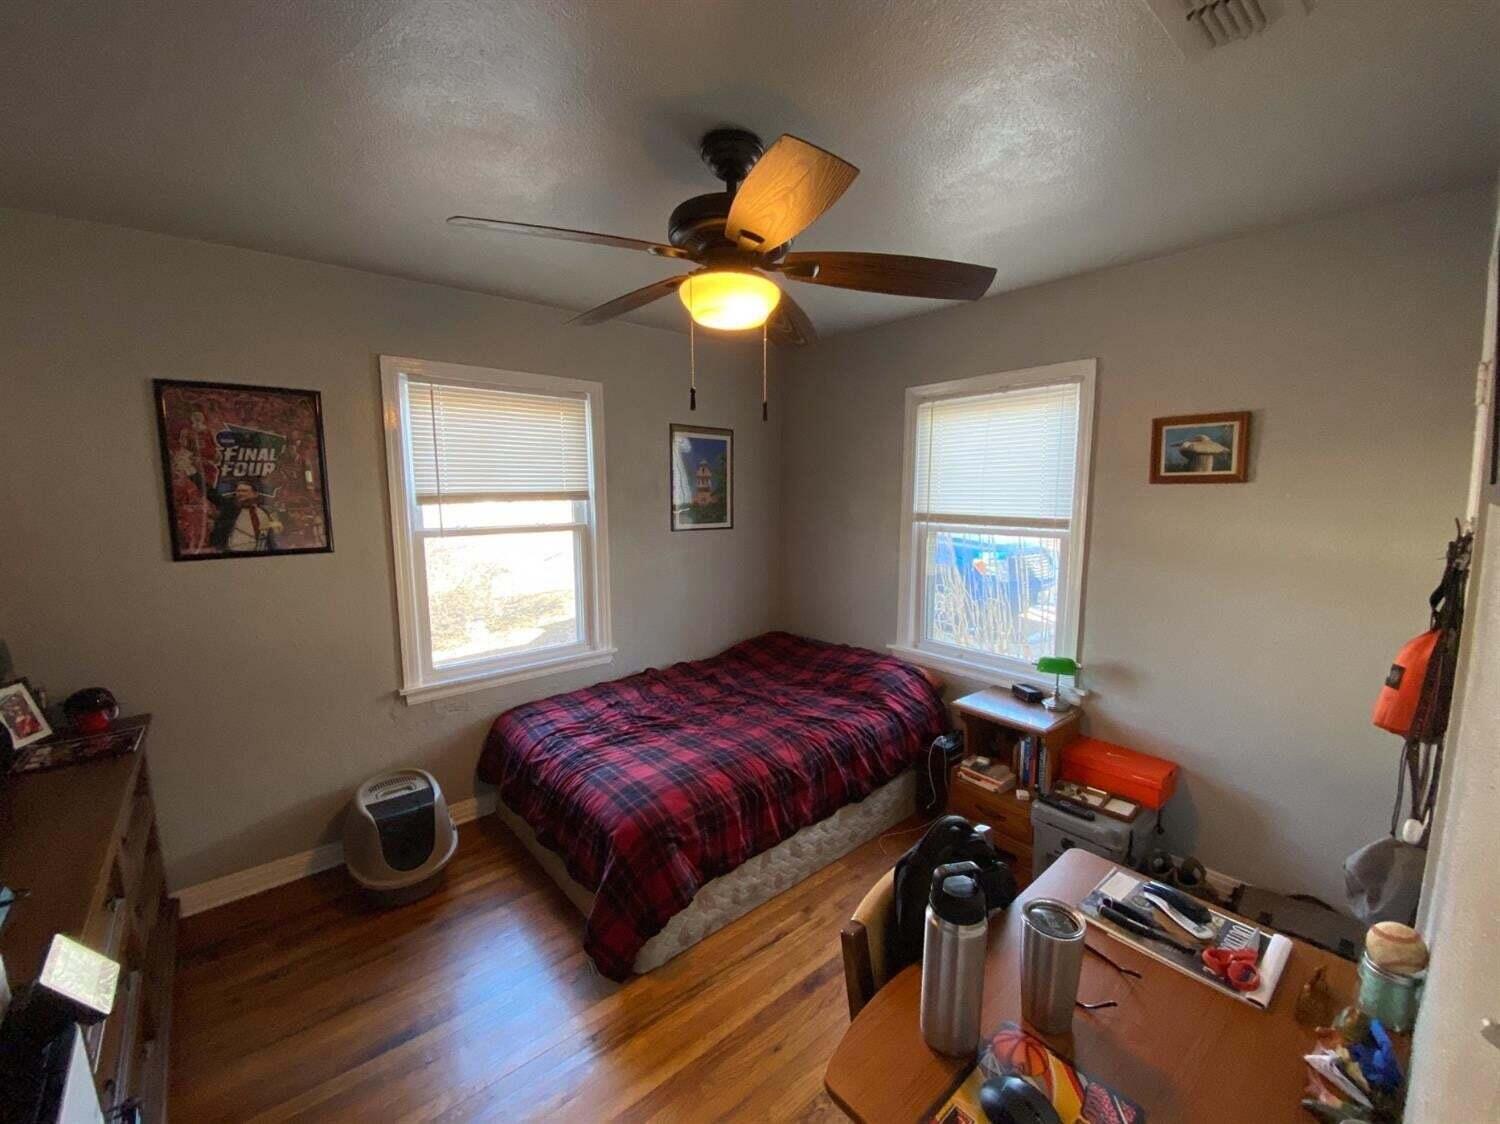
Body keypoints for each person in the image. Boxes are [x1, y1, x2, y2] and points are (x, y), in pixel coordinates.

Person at [190, 473, 283, 553]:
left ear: (255, 494)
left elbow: (269, 537)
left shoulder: (264, 513)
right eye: (238, 491)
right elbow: (211, 494)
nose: (240, 493)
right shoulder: (230, 508)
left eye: (244, 491)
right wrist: (193, 474)